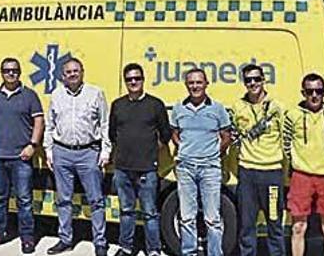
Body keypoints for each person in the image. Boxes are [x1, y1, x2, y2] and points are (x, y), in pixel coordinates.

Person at [43, 58, 111, 256]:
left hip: (88, 153)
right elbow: (50, 125)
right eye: (68, 72)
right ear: (62, 76)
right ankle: (65, 239)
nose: (72, 74)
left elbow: (104, 123)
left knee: (96, 200)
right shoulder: (56, 95)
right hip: (61, 152)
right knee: (63, 200)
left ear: (82, 72)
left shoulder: (96, 93)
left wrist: (105, 150)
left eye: (76, 71)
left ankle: (100, 242)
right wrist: (49, 150)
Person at [0, 57, 44, 254]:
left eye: (14, 70)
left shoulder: (29, 95)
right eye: (7, 70)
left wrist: (33, 145)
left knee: (24, 200)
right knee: (0, 198)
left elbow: (39, 121)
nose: (11, 73)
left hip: (21, 158)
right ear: (2, 72)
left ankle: (27, 238)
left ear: (20, 72)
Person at [284, 73, 324, 256]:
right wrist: (298, 162)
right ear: (303, 92)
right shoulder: (292, 116)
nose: (314, 95)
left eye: (319, 91)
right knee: (298, 227)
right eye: (309, 91)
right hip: (301, 177)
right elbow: (286, 144)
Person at [109, 63, 171, 256]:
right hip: (122, 169)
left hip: (147, 169)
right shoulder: (118, 105)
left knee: (150, 213)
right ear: (125, 82)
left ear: (143, 80)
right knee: (126, 211)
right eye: (129, 79)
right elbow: (112, 134)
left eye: (137, 78)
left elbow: (165, 134)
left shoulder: (155, 104)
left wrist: (150, 151)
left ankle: (153, 249)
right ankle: (126, 248)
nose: (133, 82)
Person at [170, 68, 232, 256]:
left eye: (199, 82)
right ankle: (189, 253)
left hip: (210, 168)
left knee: (212, 219)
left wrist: (213, 153)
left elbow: (226, 135)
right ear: (186, 85)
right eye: (191, 83)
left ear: (206, 84)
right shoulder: (179, 108)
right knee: (187, 217)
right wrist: (184, 148)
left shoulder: (217, 108)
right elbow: (174, 132)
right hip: (185, 168)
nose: (195, 86)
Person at [230, 64, 286, 256]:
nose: (252, 83)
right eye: (248, 80)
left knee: (274, 224)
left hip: (272, 175)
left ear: (263, 80)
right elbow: (233, 134)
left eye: (256, 79)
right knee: (246, 225)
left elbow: (286, 138)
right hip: (248, 174)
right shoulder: (238, 107)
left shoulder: (277, 107)